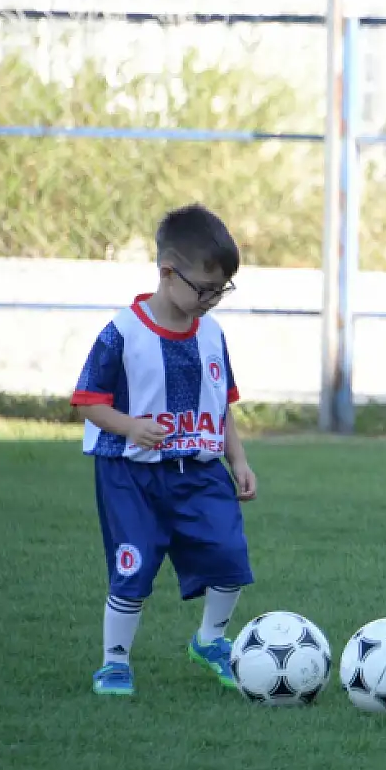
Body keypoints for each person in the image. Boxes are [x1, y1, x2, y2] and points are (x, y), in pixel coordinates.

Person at [71, 204, 256, 697]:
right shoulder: (123, 332)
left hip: (199, 471)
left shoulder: (212, 334)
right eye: (206, 288)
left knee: (230, 555)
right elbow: (87, 401)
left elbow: (222, 405)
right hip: (131, 476)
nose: (213, 300)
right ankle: (115, 662)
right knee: (133, 566)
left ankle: (210, 640)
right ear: (168, 272)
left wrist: (237, 458)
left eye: (222, 290)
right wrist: (130, 426)